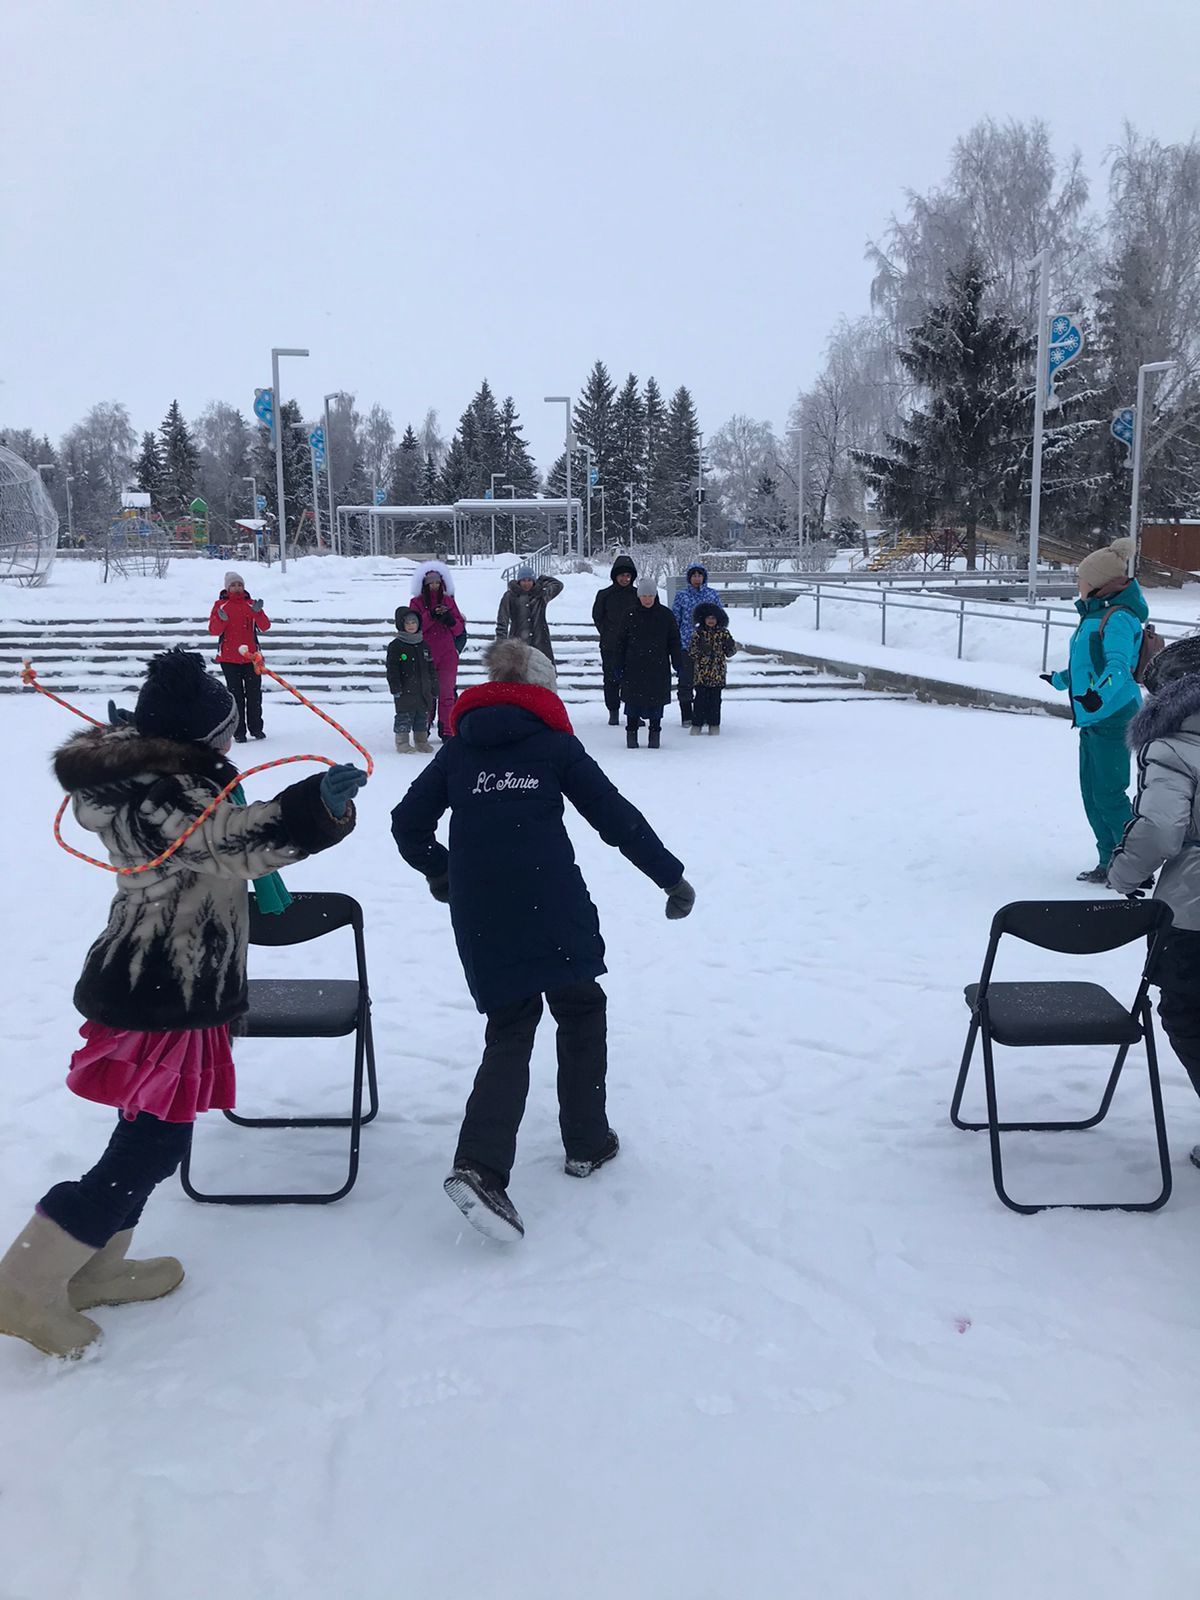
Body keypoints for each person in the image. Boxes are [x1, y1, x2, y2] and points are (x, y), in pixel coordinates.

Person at [0, 648, 366, 1358]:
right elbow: (228, 845)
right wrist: (314, 810)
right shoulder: (168, 795)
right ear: (203, 738)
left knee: (149, 1127)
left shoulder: (153, 780)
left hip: (165, 979)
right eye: (224, 734)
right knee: (152, 1142)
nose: (232, 744)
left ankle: (95, 1265)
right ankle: (26, 1284)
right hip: (168, 980)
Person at [390, 638, 695, 1242]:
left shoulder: (457, 751)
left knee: (511, 1026)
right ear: (542, 690)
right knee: (580, 1007)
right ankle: (586, 1141)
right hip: (550, 899)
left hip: (483, 910)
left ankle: (479, 1167)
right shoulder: (555, 745)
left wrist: (442, 870)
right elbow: (616, 817)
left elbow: (406, 822)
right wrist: (671, 876)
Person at [1107, 636, 1200, 1166]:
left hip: (1194, 910)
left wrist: (1124, 872)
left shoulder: (1173, 746)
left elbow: (1162, 828)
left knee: (1189, 1013)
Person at [1041, 537, 1147, 882]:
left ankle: (1136, 867)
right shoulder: (1095, 615)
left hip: (1115, 716)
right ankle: (1108, 861)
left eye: (1081, 577)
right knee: (1092, 794)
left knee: (1109, 795)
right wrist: (1060, 679)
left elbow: (1117, 668)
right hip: (1092, 717)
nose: (1078, 582)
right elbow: (1088, 665)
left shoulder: (1119, 618)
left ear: (1099, 581)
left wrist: (1097, 697)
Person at [618, 578, 684, 749]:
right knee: (632, 705)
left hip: (658, 667)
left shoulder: (665, 615)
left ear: (655, 596)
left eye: (650, 595)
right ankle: (631, 736)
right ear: (639, 596)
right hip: (633, 666)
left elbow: (674, 641)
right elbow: (620, 642)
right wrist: (617, 664)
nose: (647, 599)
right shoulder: (629, 614)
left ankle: (654, 737)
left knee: (656, 705)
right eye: (644, 595)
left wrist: (678, 662)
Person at [208, 571, 271, 742]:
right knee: (236, 697)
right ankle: (239, 732)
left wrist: (258, 613)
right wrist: (221, 620)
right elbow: (214, 630)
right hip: (229, 659)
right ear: (227, 588)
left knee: (254, 695)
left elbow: (265, 626)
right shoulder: (220, 606)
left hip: (252, 658)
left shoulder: (251, 604)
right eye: (233, 585)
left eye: (240, 585)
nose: (237, 588)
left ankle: (256, 728)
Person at [410, 561, 466, 738]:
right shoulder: (416, 602)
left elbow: (459, 629)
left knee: (447, 694)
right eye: (430, 583)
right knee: (425, 693)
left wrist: (449, 620)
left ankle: (447, 730)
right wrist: (431, 616)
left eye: (437, 582)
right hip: (425, 653)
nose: (434, 586)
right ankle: (423, 728)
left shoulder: (449, 601)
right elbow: (414, 627)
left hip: (447, 654)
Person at [592, 554, 639, 725]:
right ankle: (613, 711)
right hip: (610, 644)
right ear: (615, 576)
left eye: (628, 575)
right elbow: (597, 616)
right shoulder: (604, 595)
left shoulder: (638, 595)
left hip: (633, 645)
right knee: (611, 679)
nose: (625, 579)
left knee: (634, 679)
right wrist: (607, 632)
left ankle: (634, 711)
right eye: (622, 575)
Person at [671, 563, 721, 725]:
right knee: (685, 681)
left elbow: (720, 619)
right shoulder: (682, 596)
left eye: (700, 575)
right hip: (686, 645)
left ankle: (705, 714)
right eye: (694, 575)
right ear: (689, 578)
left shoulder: (712, 595)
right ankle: (687, 715)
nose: (697, 578)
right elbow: (675, 620)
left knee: (706, 683)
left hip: (708, 648)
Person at [386, 605, 439, 755]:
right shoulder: (396, 646)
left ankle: (421, 740)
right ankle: (402, 742)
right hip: (404, 690)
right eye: (407, 623)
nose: (411, 626)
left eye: (413, 623)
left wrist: (434, 685)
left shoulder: (424, 645)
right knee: (404, 716)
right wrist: (395, 687)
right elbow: (392, 668)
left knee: (421, 716)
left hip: (423, 690)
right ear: (401, 625)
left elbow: (431, 668)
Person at [689, 601, 739, 736]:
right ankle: (697, 724)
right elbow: (692, 653)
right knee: (699, 701)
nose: (711, 621)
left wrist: (730, 646)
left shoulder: (724, 633)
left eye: (713, 618)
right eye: (708, 618)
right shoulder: (698, 634)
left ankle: (714, 725)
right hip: (701, 674)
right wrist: (700, 649)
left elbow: (730, 653)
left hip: (718, 673)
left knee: (715, 701)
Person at [496, 565, 564, 664]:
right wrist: (501, 644)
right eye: (523, 580)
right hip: (518, 642)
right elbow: (502, 620)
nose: (526, 583)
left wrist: (542, 579)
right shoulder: (510, 596)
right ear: (519, 581)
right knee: (518, 674)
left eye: (529, 580)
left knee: (541, 674)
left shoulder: (541, 595)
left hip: (540, 641)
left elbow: (558, 585)